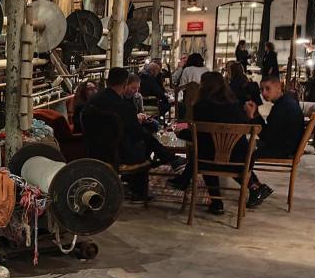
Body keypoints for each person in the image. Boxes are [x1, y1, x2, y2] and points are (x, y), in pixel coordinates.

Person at [169, 72, 265, 214]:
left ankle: (216, 202)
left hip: (208, 161)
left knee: (204, 152)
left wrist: (181, 133)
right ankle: (254, 187)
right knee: (210, 151)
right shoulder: (235, 104)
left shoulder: (201, 106)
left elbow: (200, 136)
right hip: (239, 161)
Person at [89, 67, 184, 202]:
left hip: (95, 148)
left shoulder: (94, 101)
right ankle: (139, 190)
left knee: (144, 137)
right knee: (144, 141)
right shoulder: (122, 106)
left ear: (107, 81)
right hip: (117, 153)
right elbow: (136, 133)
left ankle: (168, 158)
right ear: (124, 84)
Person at [246, 75, 305, 162]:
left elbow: (266, 137)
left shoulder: (283, 107)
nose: (264, 93)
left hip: (283, 151)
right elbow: (268, 131)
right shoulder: (284, 102)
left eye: (267, 88)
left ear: (278, 87)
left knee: (244, 154)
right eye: (261, 90)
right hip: (286, 148)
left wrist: (251, 117)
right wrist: (255, 114)